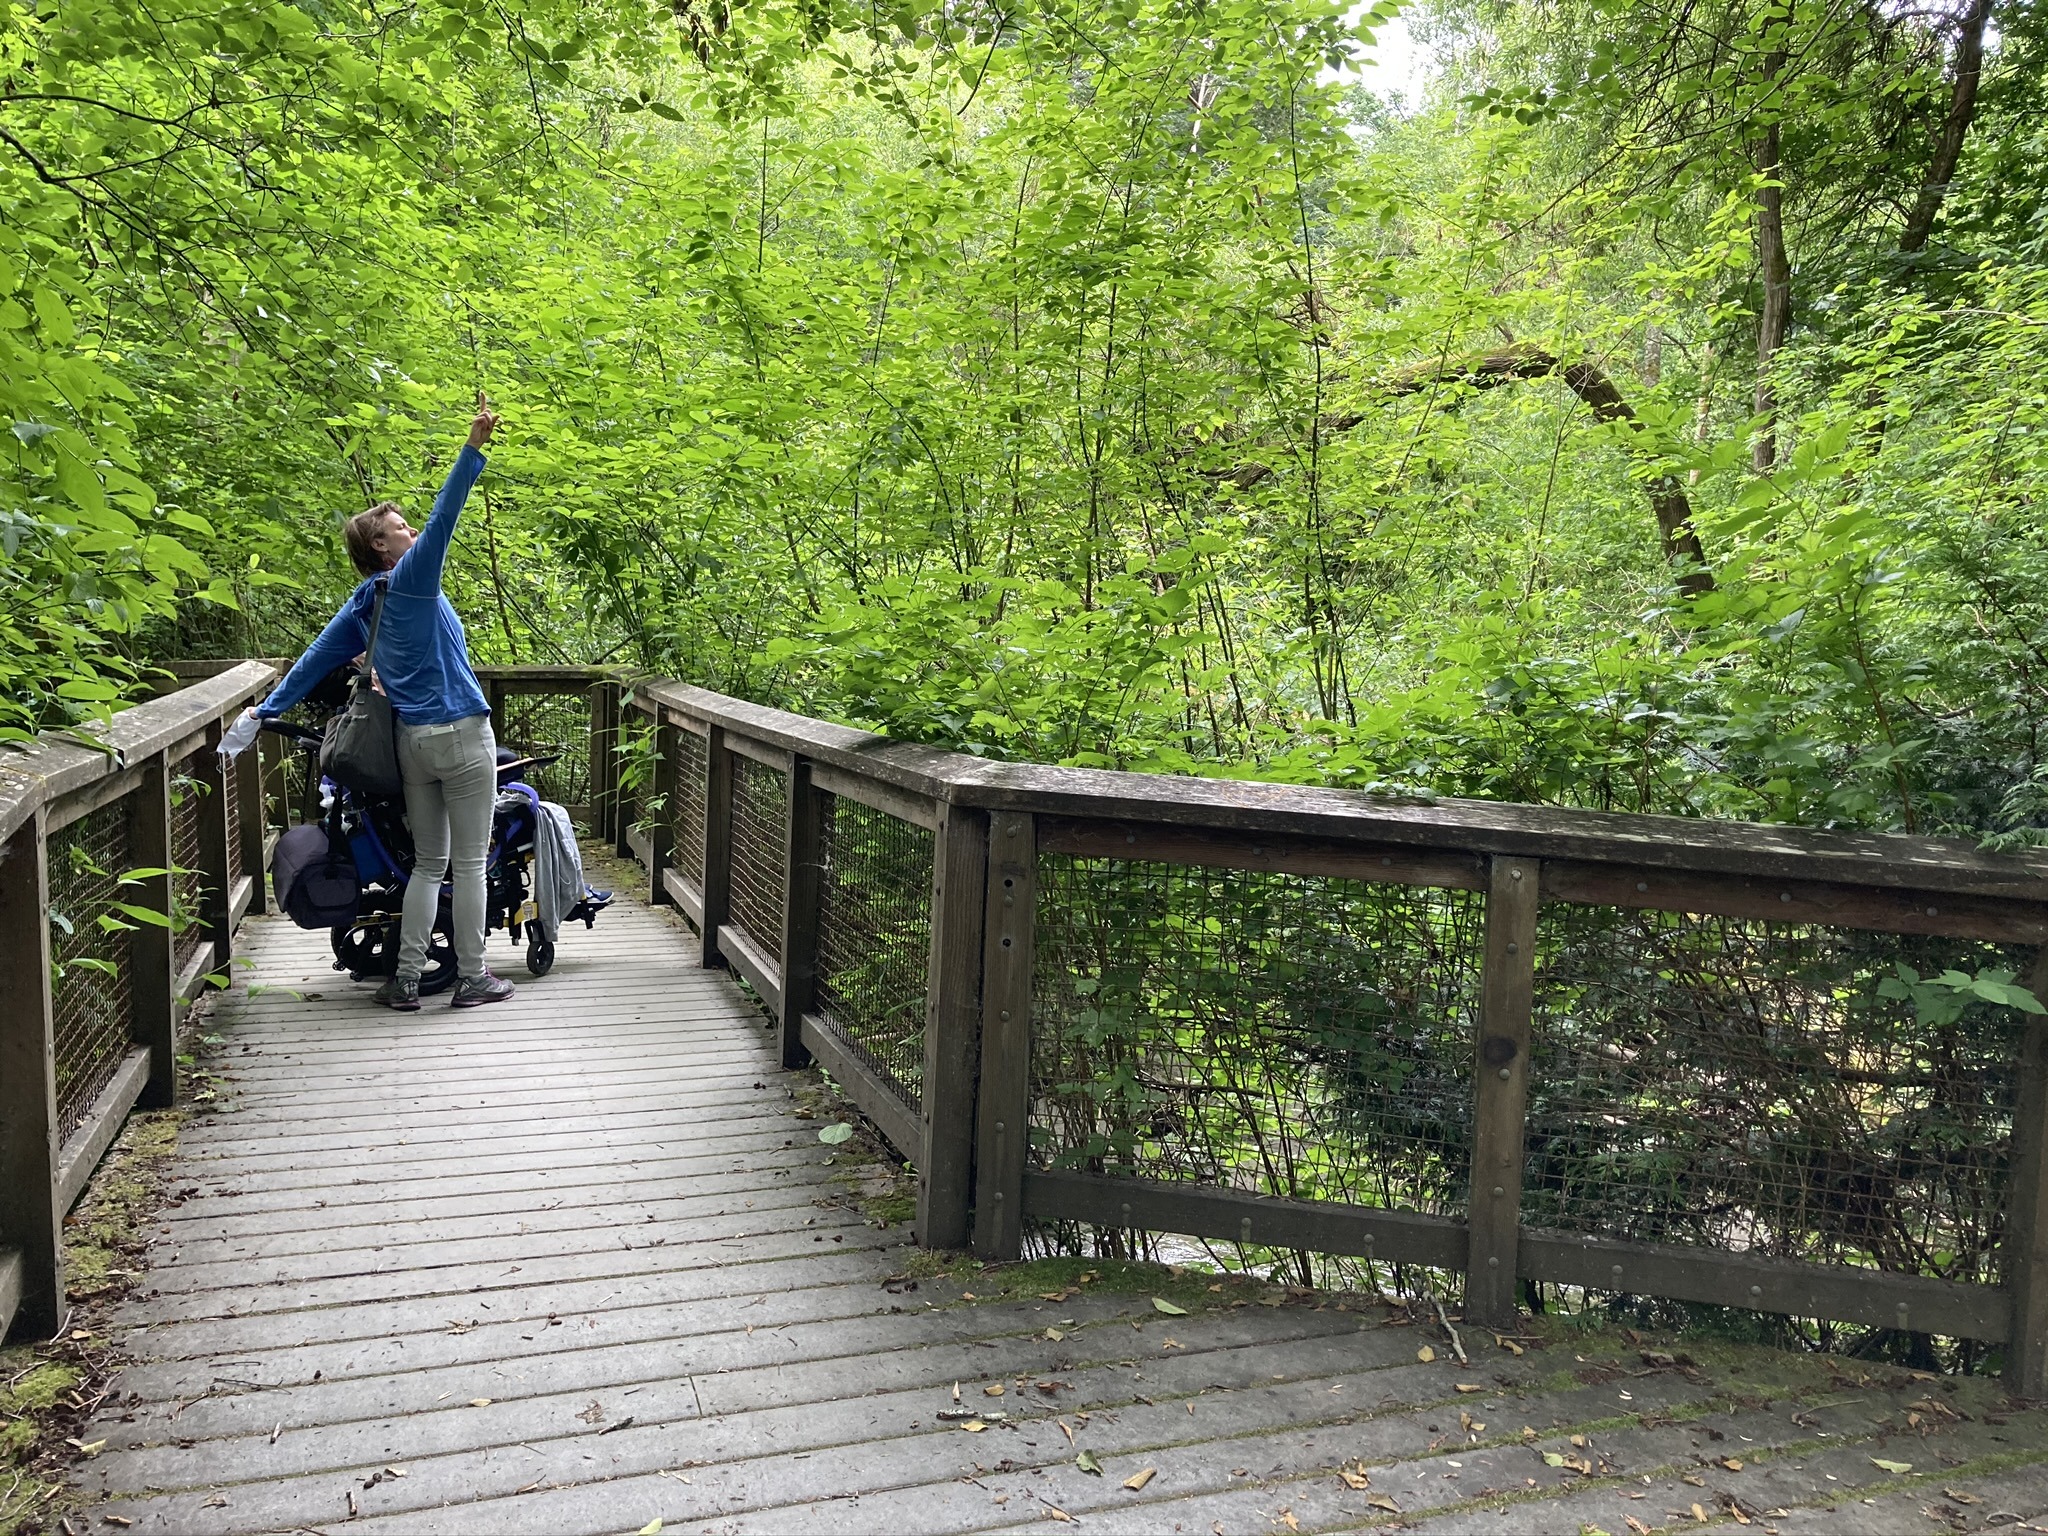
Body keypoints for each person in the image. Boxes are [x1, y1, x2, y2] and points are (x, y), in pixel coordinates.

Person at [239, 395, 513, 1012]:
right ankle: (473, 979)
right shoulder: (414, 579)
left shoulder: (367, 601)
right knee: (468, 864)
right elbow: (446, 516)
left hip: (412, 744)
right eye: (399, 530)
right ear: (385, 550)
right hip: (462, 736)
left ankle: (408, 979)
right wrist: (473, 447)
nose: (412, 532)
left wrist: (266, 710)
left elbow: (313, 660)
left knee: (427, 865)